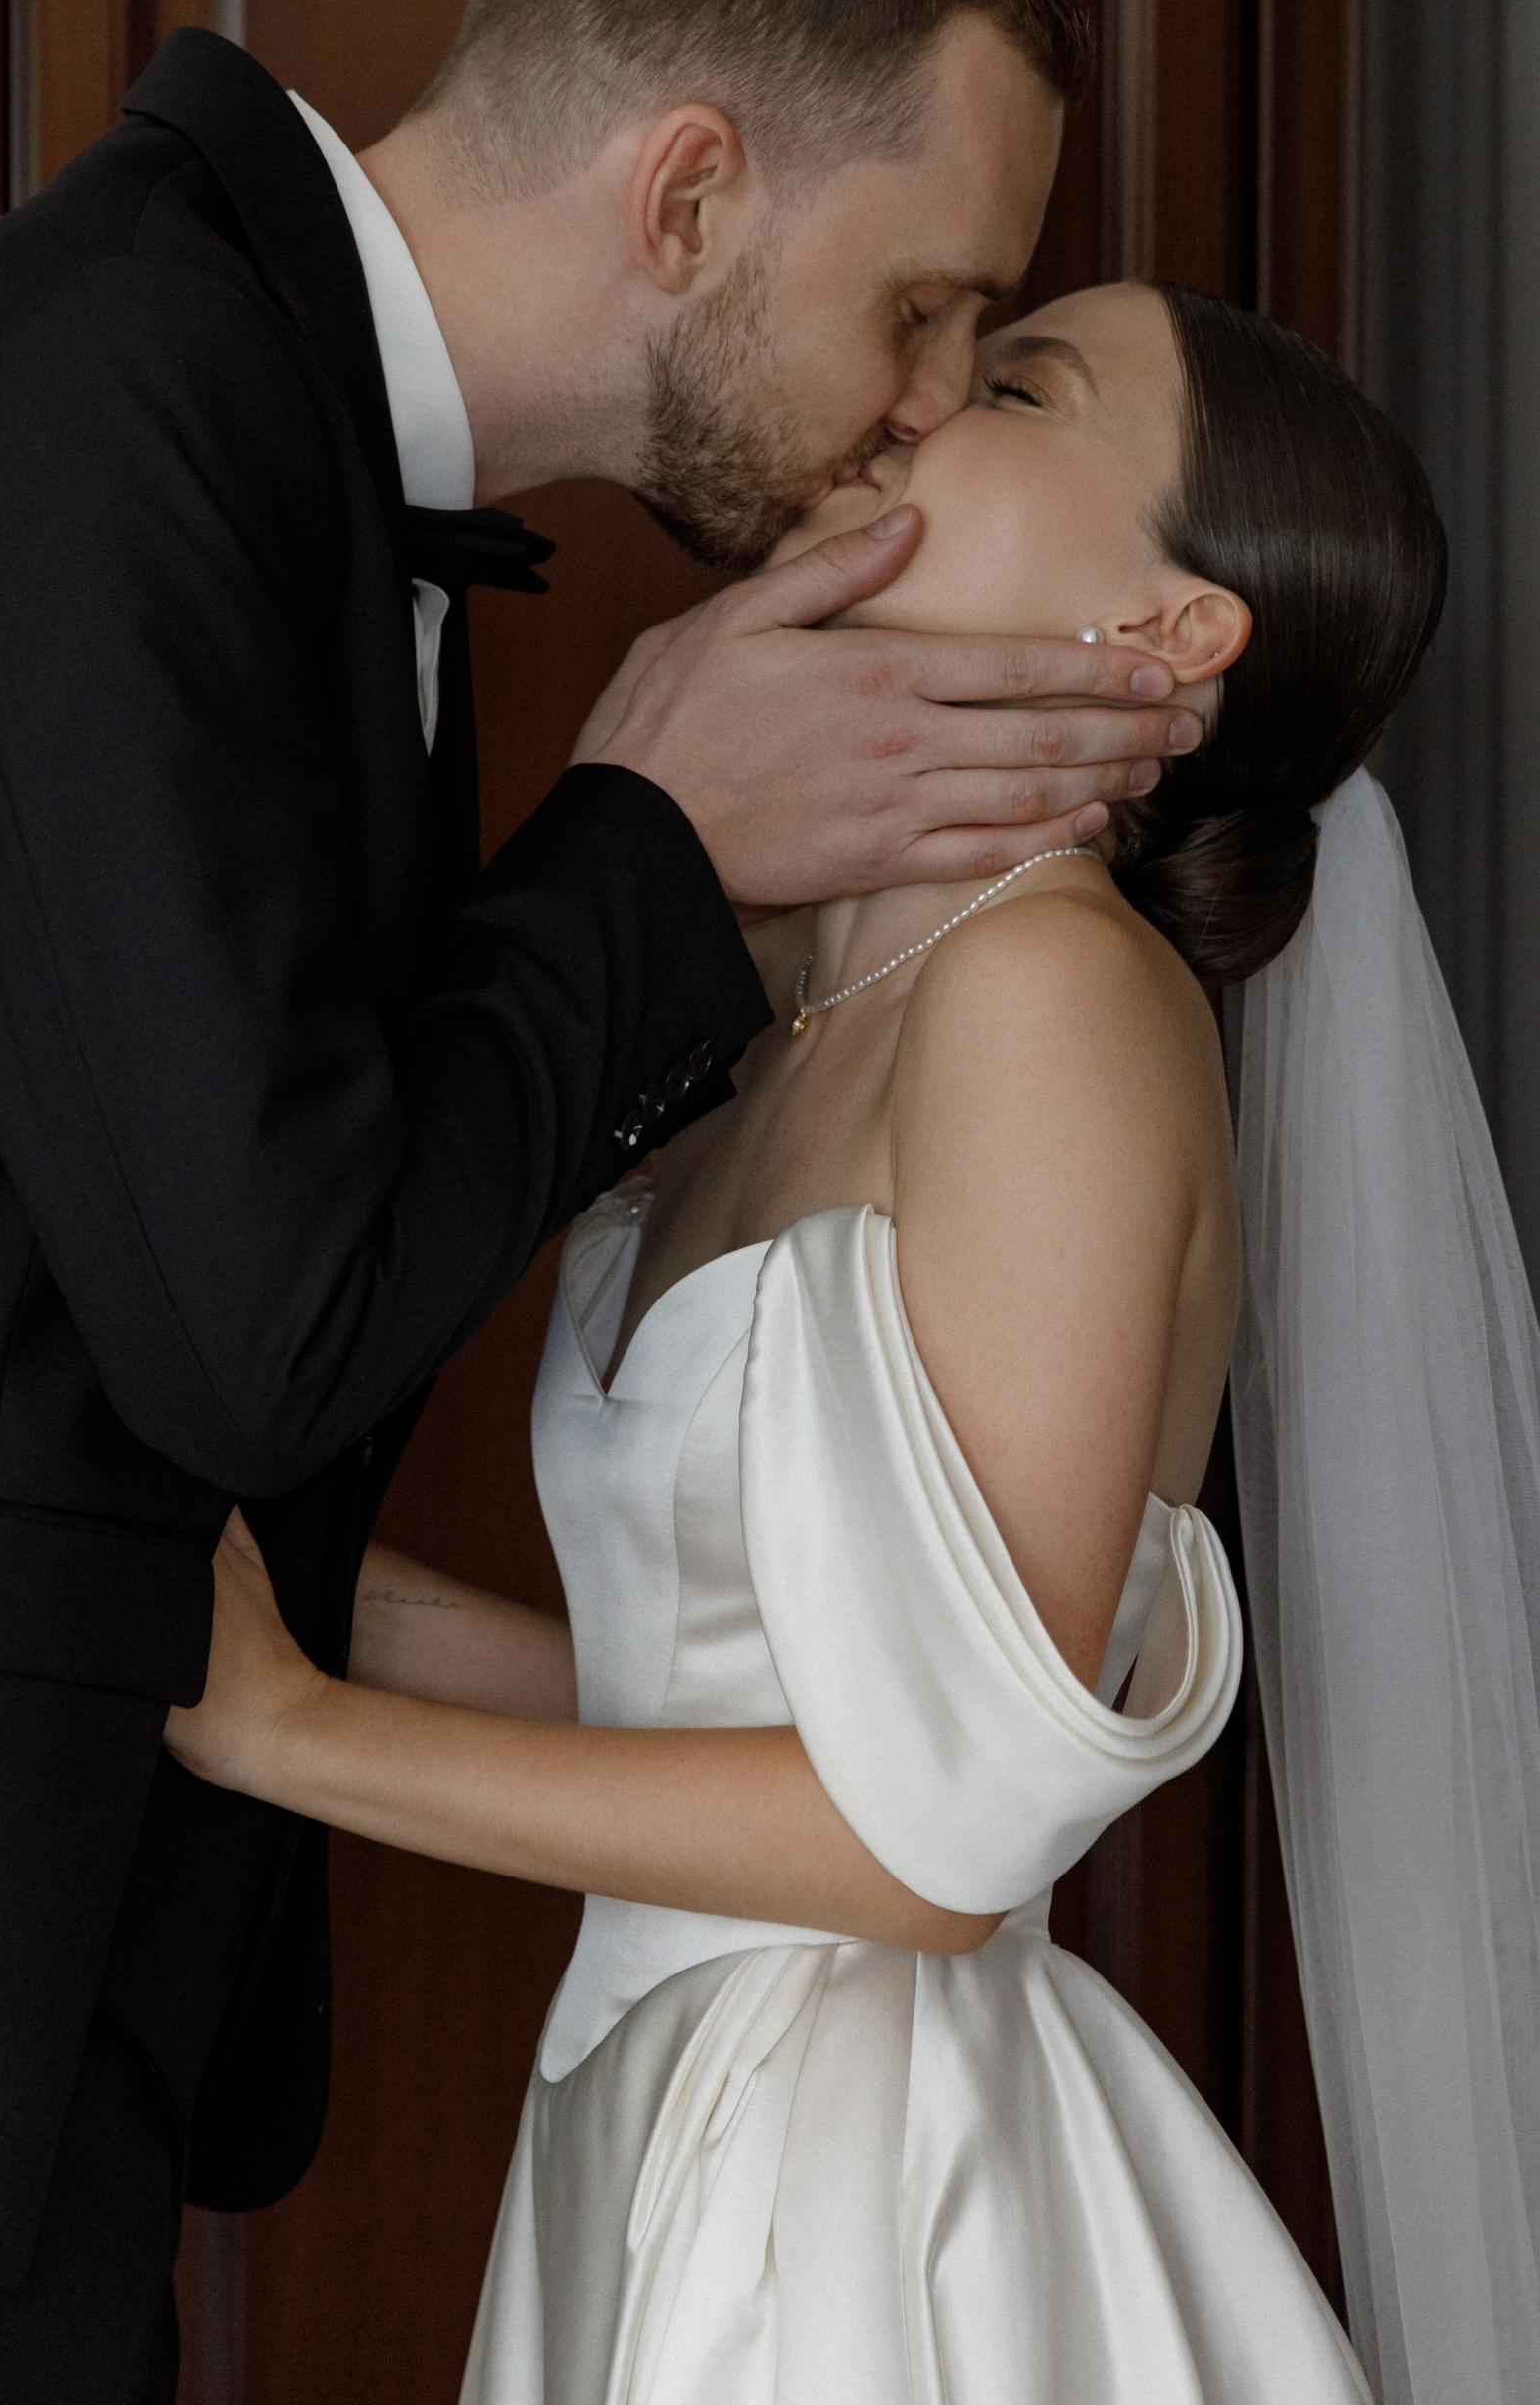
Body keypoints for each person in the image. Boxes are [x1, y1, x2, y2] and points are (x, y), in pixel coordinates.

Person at [0, 0, 1199, 2403]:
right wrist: (648, 835)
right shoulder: (115, 392)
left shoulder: (263, 429)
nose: (922, 403)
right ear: (688, 196)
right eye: (929, 305)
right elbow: (265, 1325)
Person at [166, 277, 1458, 2401]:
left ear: (1171, 630)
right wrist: (303, 1602)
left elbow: (938, 1839)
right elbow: (721, 1680)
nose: (915, 403)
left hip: (870, 2193)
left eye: (1019, 384)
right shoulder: (783, 1025)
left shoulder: (1055, 995)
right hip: (652, 2112)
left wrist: (299, 1735)